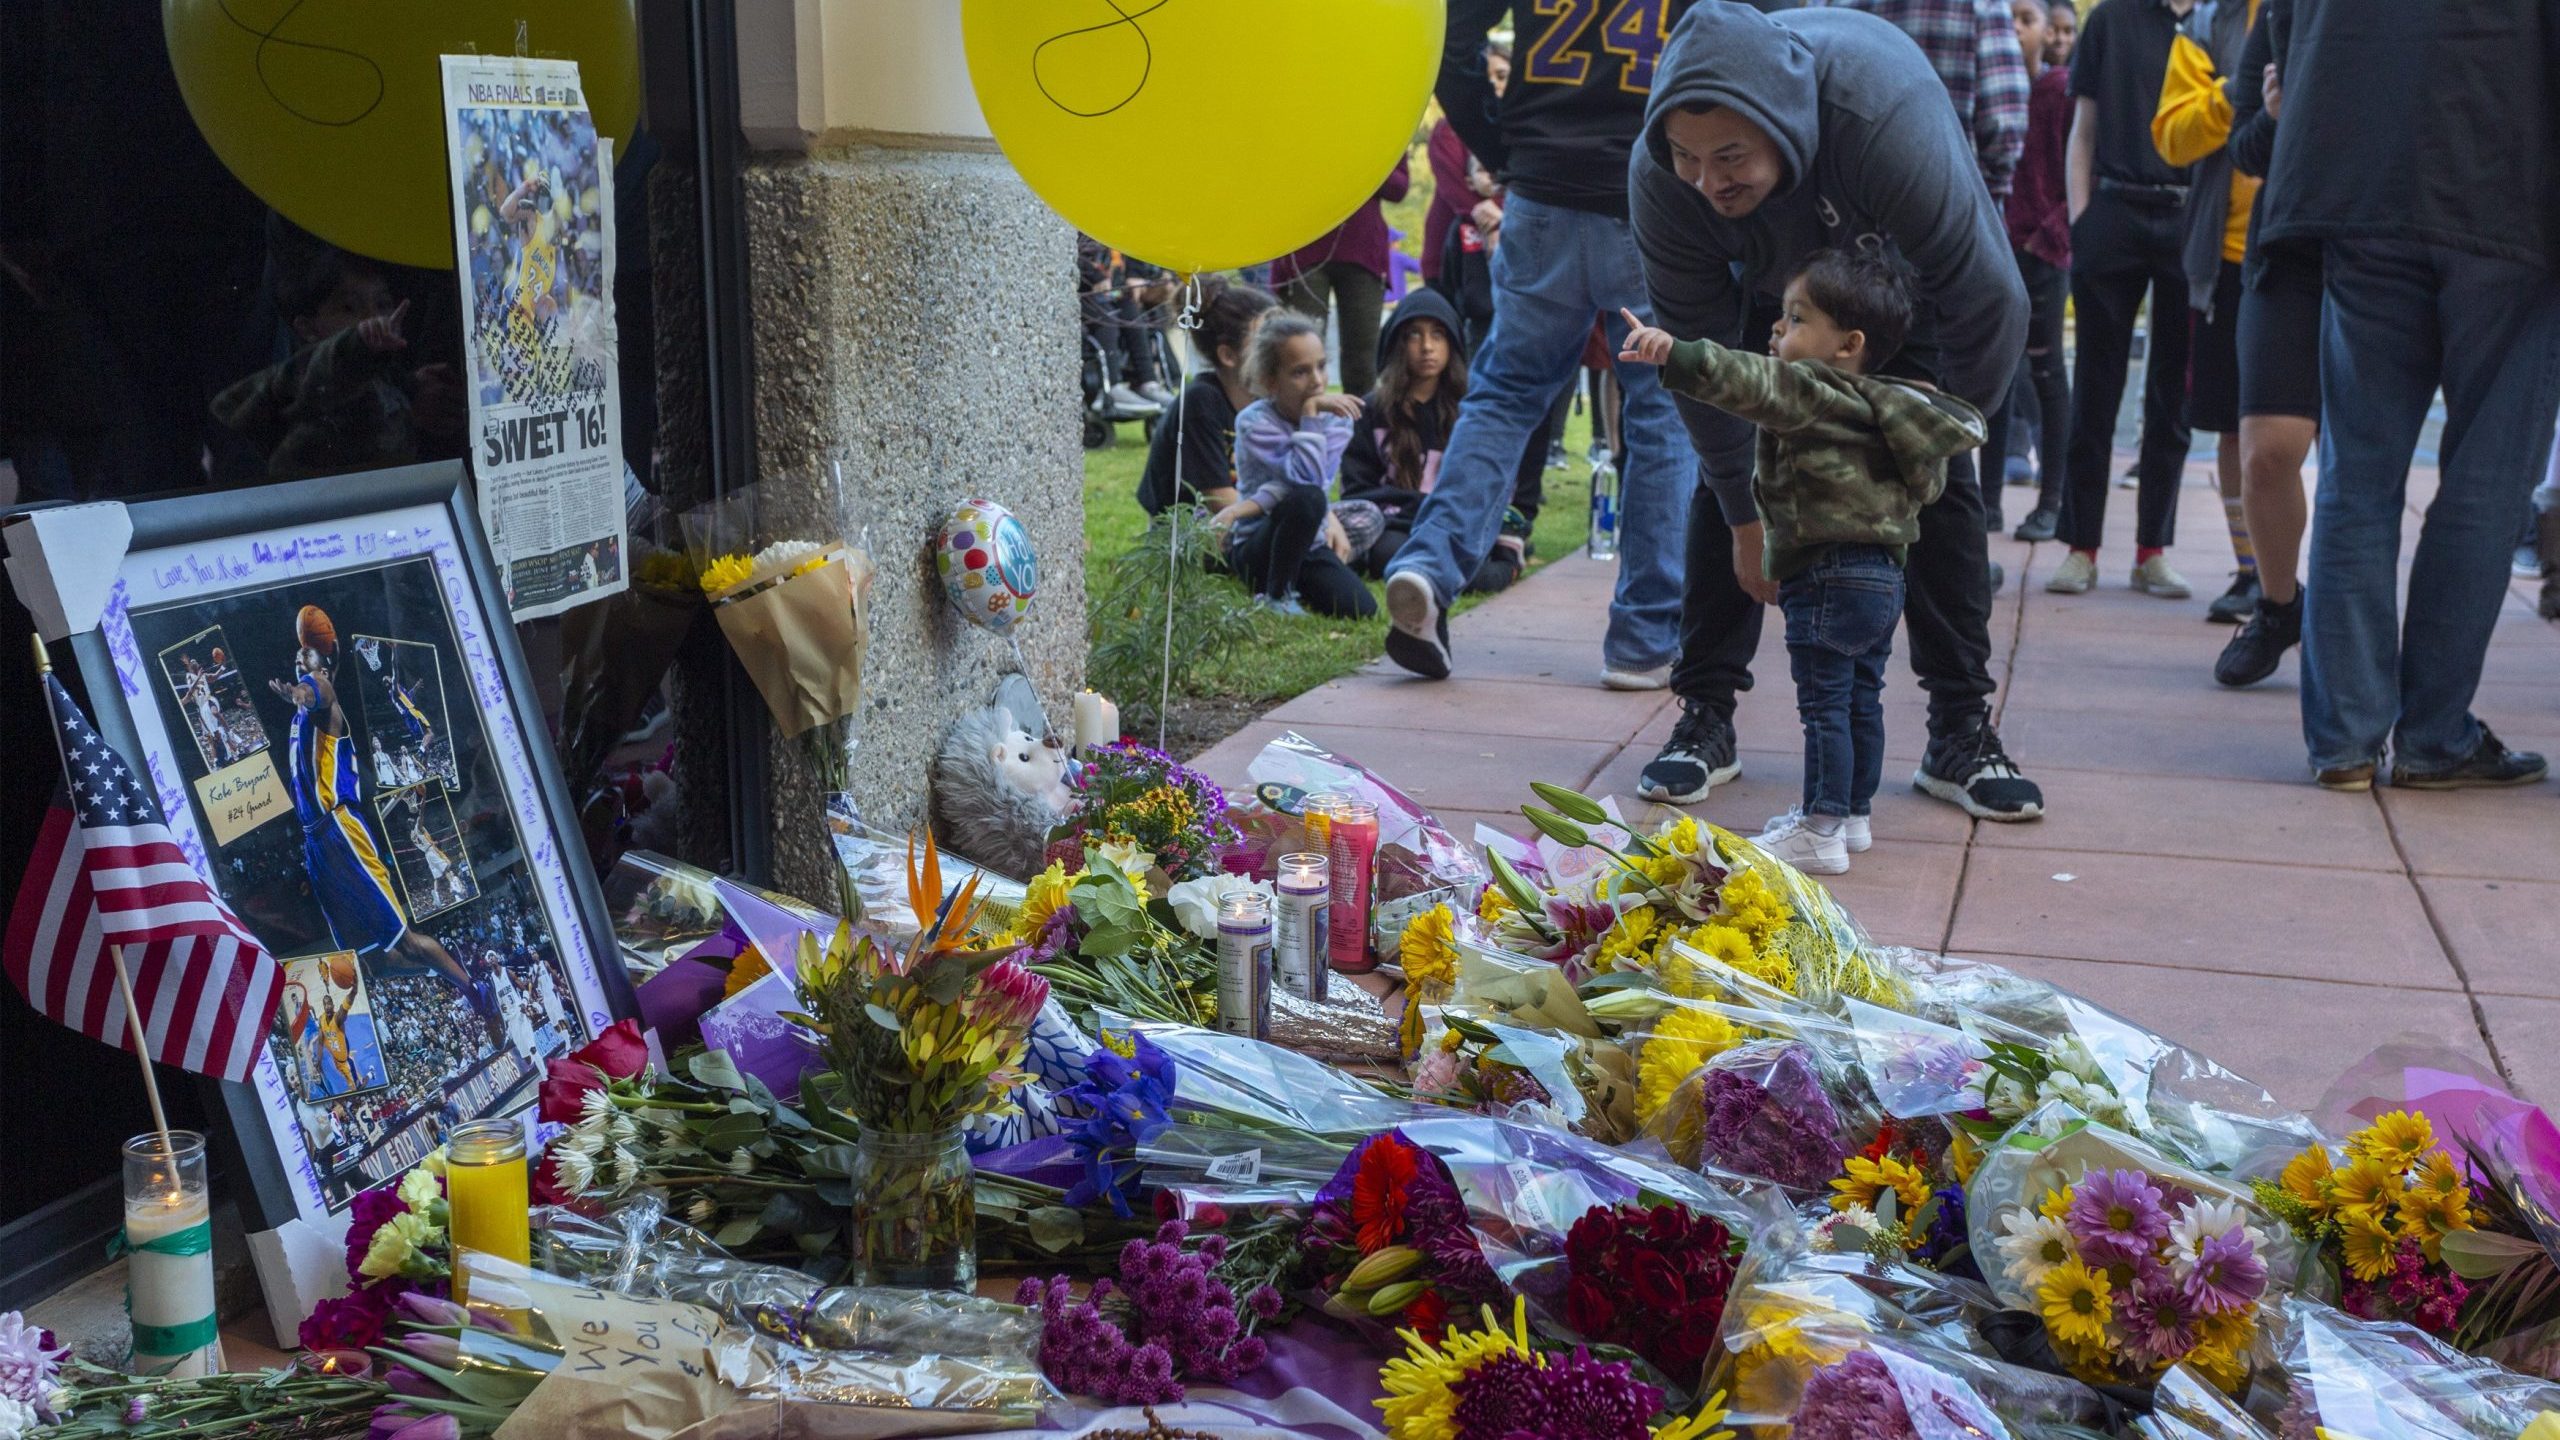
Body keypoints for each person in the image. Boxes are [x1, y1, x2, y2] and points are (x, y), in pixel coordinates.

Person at [1630, 2, 2043, 824]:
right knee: (1737, 459)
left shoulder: (1879, 120)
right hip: (1759, 286)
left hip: (1892, 285)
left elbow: (1992, 298)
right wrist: (1752, 523)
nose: (1709, 180)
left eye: (1730, 156)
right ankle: (1704, 714)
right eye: (1687, 155)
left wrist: (1942, 436)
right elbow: (1700, 372)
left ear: (1778, 128)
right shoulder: (1663, 185)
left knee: (1935, 478)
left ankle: (1961, 727)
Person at [2257, 0, 2560, 791]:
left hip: (2359, 174)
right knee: (2488, 481)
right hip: (2511, 181)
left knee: (2358, 473)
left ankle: (2346, 740)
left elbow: (2286, 28)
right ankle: (2433, 734)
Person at [1621, 252, 1984, 873]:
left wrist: (1673, 352)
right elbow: (1925, 490)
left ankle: (1820, 825)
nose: (1776, 332)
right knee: (1861, 698)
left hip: (1824, 572)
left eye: (1795, 319)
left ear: (1848, 344)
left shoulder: (1810, 391)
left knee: (1823, 705)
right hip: (1885, 577)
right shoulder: (1899, 408)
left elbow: (1745, 378)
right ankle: (1853, 815)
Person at [1379, 0, 1700, 691]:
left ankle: (1429, 564)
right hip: (1650, 188)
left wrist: (1502, 147)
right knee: (1662, 406)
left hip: (1543, 190)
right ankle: (1643, 641)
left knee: (1505, 394)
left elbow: (1453, 33)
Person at [2044, 0, 2200, 600]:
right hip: (2113, 209)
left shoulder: (2216, 21)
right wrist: (2082, 220)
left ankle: (2151, 551)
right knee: (2097, 386)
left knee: (2172, 393)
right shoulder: (2110, 17)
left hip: (2188, 215)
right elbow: (2083, 129)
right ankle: (2081, 547)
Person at [271, 650, 497, 1040]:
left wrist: (302, 691)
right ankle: (441, 967)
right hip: (316, 845)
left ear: (322, 669)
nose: (296, 666)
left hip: (341, 831)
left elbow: (320, 691)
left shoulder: (324, 700)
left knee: (405, 941)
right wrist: (296, 697)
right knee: (374, 961)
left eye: (303, 662)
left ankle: (477, 992)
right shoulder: (300, 716)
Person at [2152, 0, 2265, 626]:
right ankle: (2254, 571)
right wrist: (2238, 89)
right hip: (2226, 256)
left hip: (2322, 251)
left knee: (2318, 429)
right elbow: (2172, 138)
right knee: (2232, 423)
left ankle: (2302, 571)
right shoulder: (2206, 27)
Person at [2212, 0, 2314, 687]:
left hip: (2391, 245)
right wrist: (2276, 115)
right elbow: (2243, 147)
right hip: (2289, 249)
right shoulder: (2278, 14)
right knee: (2267, 454)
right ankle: (2279, 605)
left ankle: (2358, 631)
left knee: (2370, 468)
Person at [1338, 288, 1533, 590]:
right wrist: (1418, 505)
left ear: (1452, 343)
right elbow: (1357, 493)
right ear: (1397, 343)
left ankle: (1499, 565)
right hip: (1397, 526)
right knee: (1389, 555)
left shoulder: (1473, 410)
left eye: (1438, 334)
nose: (1427, 346)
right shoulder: (1372, 411)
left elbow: (1492, 485)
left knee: (1469, 563)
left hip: (1458, 525)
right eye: (1414, 335)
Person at [1213, 312, 1375, 619]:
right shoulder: (1255, 422)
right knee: (1308, 498)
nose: (1317, 380)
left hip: (1308, 540)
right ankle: (1276, 594)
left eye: (1322, 367)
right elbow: (1305, 483)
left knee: (1360, 609)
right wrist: (1311, 412)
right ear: (1271, 381)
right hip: (1261, 542)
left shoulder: (1338, 423)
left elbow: (1318, 485)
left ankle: (1297, 581)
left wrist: (1315, 414)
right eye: (1300, 372)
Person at [1994, 0, 2074, 543]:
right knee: (1995, 376)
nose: (2017, 27)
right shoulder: (1995, 84)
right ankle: (1985, 500)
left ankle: (2053, 501)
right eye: (2012, 16)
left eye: (2028, 18)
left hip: (2043, 252)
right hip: (1993, 252)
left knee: (2047, 375)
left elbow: (2074, 166)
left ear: (2047, 31)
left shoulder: (2060, 90)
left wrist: (2052, 236)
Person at [1271, 154, 1412, 399]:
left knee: (1363, 358)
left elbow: (1398, 188)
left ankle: (1361, 429)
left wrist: (1360, 162)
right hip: (1304, 245)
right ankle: (1297, 428)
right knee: (1298, 350)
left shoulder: (1379, 126)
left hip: (1363, 251)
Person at [1135, 278, 1278, 516]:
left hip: (1248, 515)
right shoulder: (1201, 402)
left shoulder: (1266, 402)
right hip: (1193, 531)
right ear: (1228, 355)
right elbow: (1221, 503)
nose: (1279, 352)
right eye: (1265, 344)